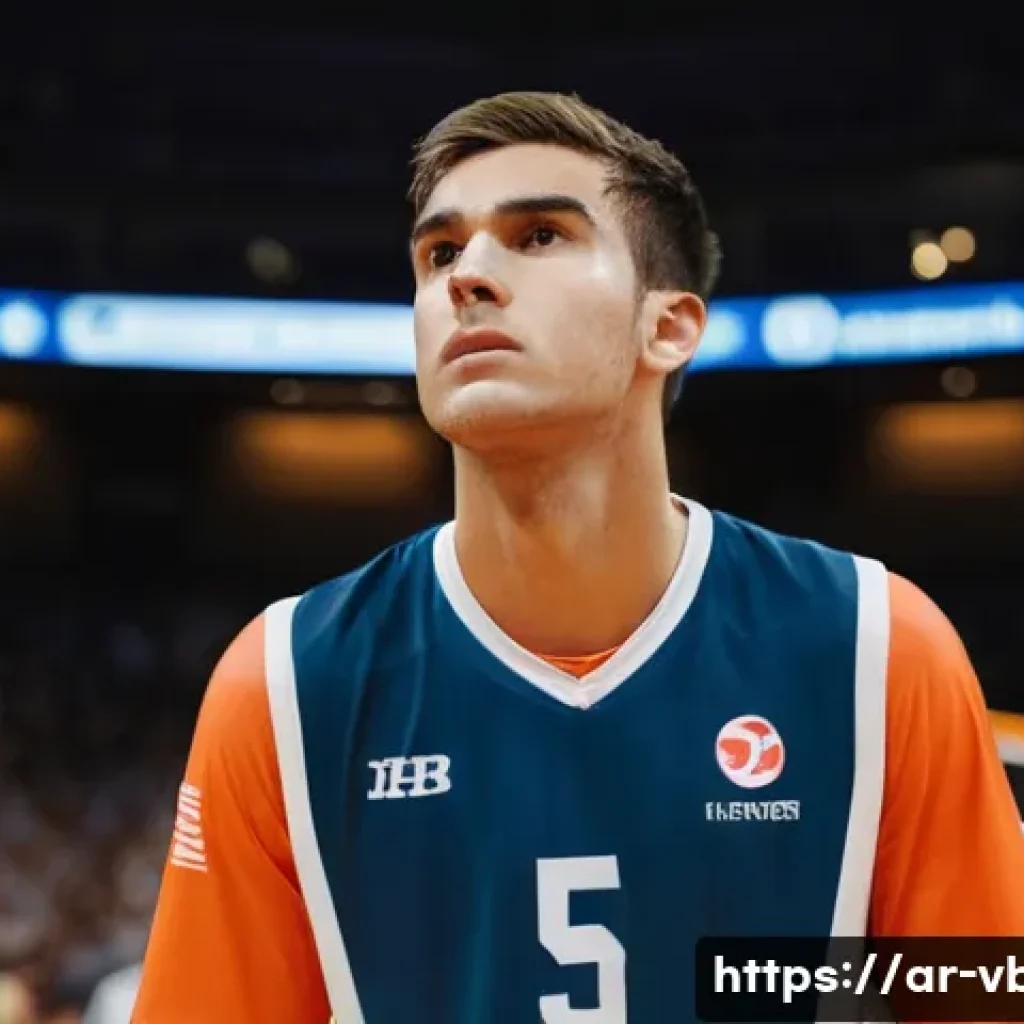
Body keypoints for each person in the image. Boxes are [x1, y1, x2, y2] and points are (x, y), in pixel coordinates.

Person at [131, 92, 1024, 1023]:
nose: (467, 276)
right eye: (439, 252)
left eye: (541, 236)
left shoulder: (879, 648)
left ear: (668, 326)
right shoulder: (282, 685)